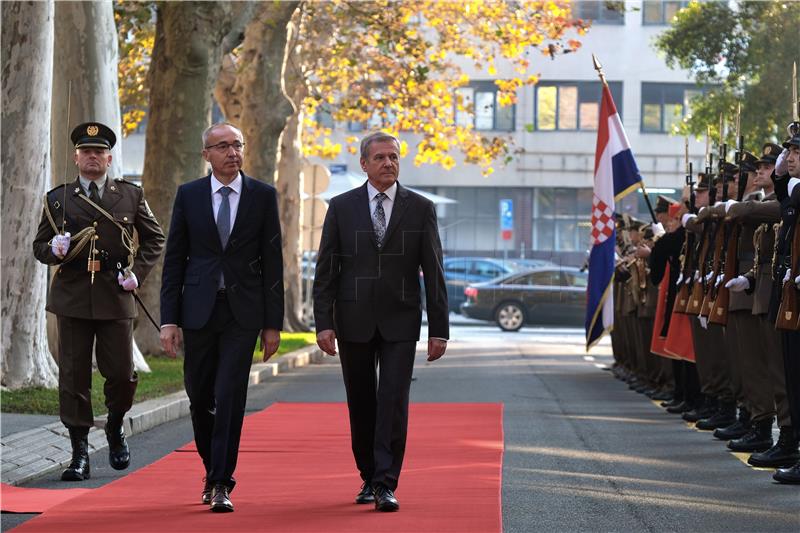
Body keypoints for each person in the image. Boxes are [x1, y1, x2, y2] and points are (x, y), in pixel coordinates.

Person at [313, 131, 449, 512]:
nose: (389, 163)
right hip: (352, 319)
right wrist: (323, 322)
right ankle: (368, 476)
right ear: (364, 164)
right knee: (361, 403)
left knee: (392, 401)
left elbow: (434, 271)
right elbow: (326, 270)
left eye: (394, 157)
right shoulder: (341, 207)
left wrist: (439, 329)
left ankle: (386, 483)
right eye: (381, 158)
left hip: (401, 321)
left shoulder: (420, 208)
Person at [159, 122, 284, 511]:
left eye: (237, 145)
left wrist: (273, 324)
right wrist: (169, 320)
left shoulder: (262, 196)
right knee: (200, 398)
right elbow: (175, 260)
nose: (232, 152)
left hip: (243, 313)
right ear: (206, 155)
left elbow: (273, 263)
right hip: (198, 311)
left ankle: (220, 482)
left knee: (230, 395)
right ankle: (210, 466)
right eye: (222, 146)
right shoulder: (190, 195)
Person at [32, 121, 165, 481]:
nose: (92, 157)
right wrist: (53, 250)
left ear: (109, 158)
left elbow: (155, 239)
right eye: (86, 151)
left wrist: (137, 272)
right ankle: (79, 453)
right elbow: (39, 247)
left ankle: (116, 425)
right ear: (76, 157)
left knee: (121, 374)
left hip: (115, 295)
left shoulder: (130, 195)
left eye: (99, 152)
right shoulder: (57, 198)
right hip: (72, 297)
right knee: (73, 378)